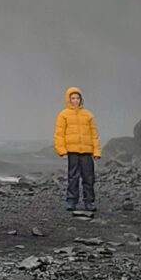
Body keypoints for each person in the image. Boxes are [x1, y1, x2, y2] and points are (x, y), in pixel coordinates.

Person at [54, 85, 99, 216]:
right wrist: (61, 150)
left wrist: (96, 151)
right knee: (73, 177)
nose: (75, 100)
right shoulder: (63, 115)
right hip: (72, 151)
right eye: (72, 98)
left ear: (81, 99)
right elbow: (59, 134)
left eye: (77, 98)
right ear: (68, 99)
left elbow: (94, 135)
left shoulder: (88, 115)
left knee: (88, 177)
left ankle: (89, 202)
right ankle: (71, 201)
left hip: (87, 151)